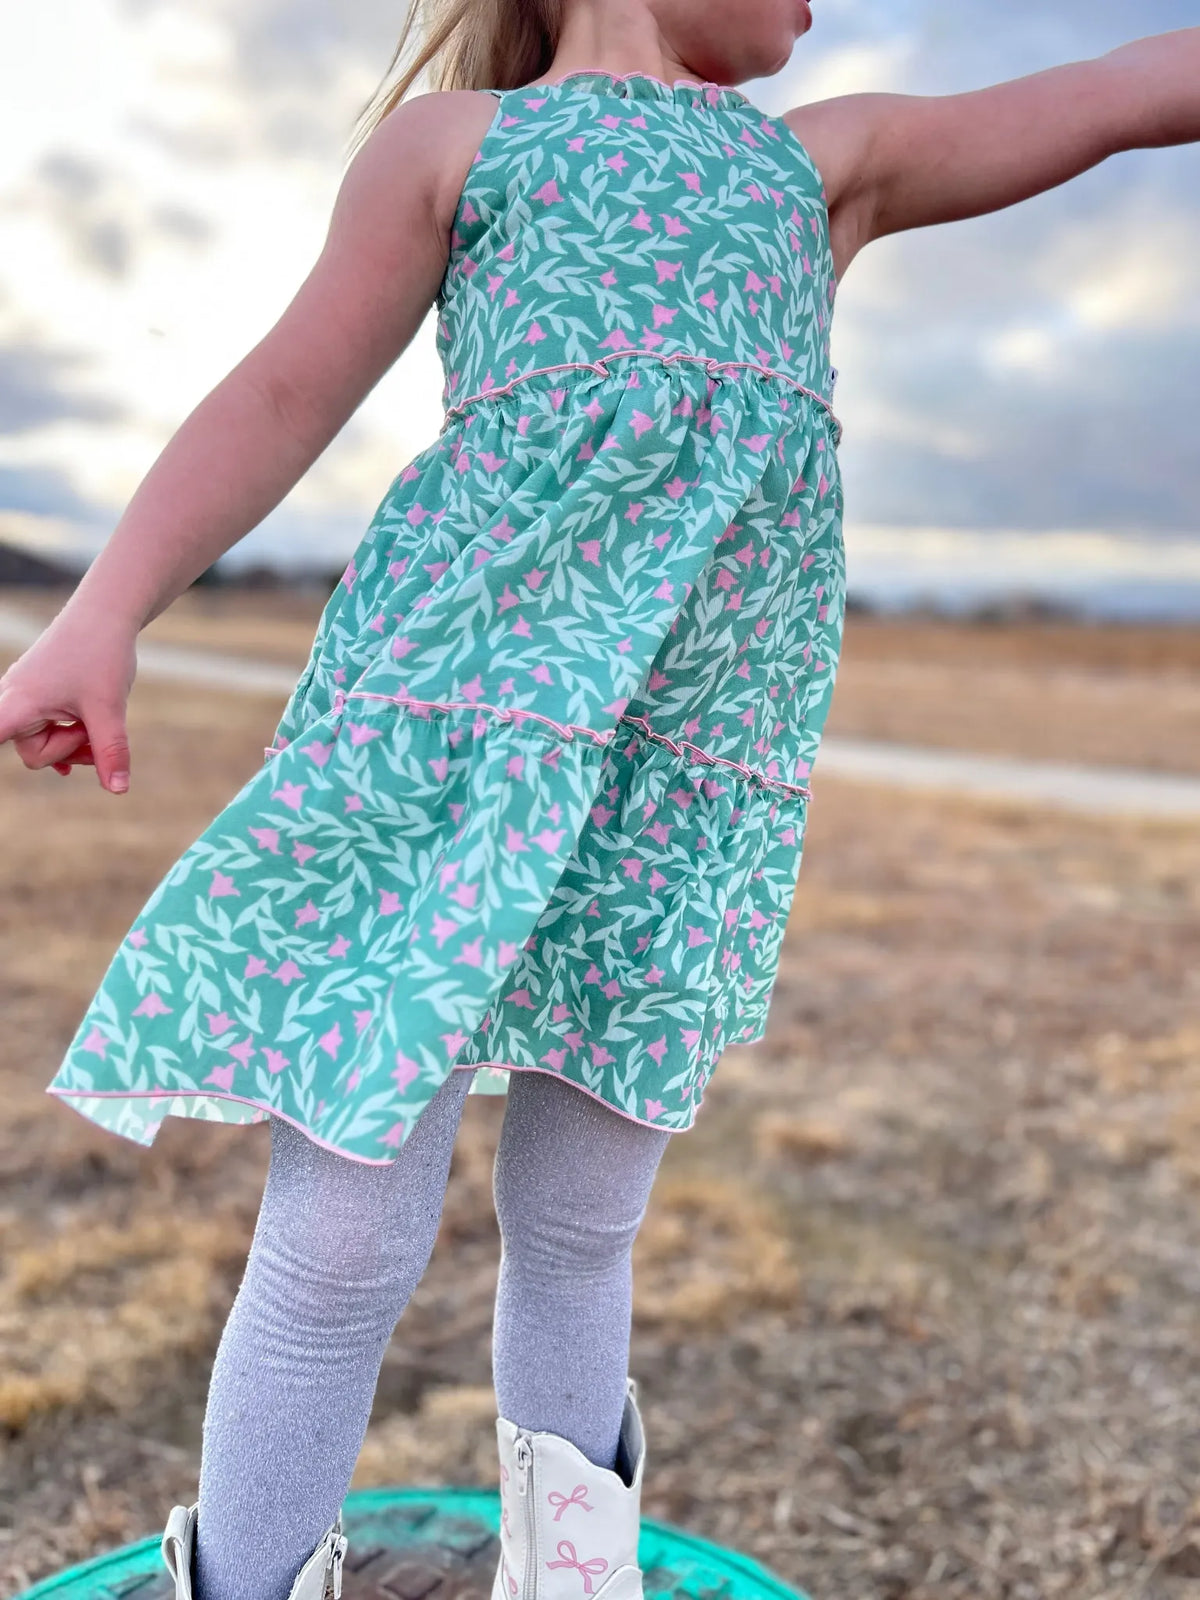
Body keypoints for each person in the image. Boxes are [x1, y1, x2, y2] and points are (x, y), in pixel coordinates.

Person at [3, 1, 1196, 1596]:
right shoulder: (459, 147)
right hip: (448, 740)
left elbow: (1120, 87)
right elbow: (285, 392)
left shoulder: (824, 164)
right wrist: (104, 611)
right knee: (345, 1238)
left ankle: (571, 1577)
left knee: (581, 1221)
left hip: (677, 782)